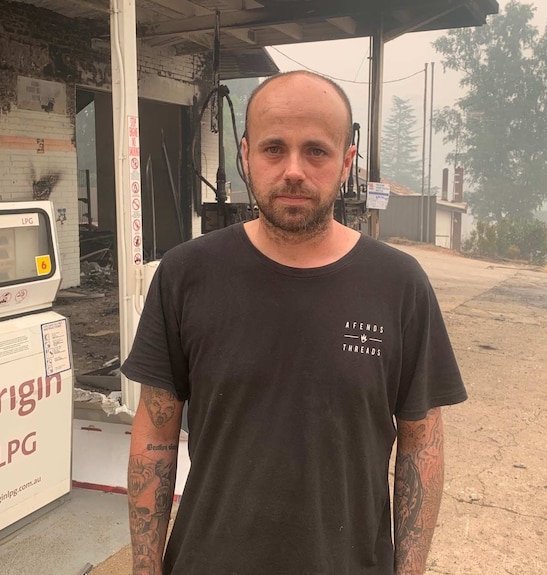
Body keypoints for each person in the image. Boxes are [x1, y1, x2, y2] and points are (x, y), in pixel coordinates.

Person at [122, 70, 467, 575]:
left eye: (317, 151)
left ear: (346, 161)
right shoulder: (186, 274)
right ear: (244, 155)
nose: (293, 170)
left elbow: (421, 441)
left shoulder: (397, 284)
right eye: (273, 148)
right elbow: (155, 433)